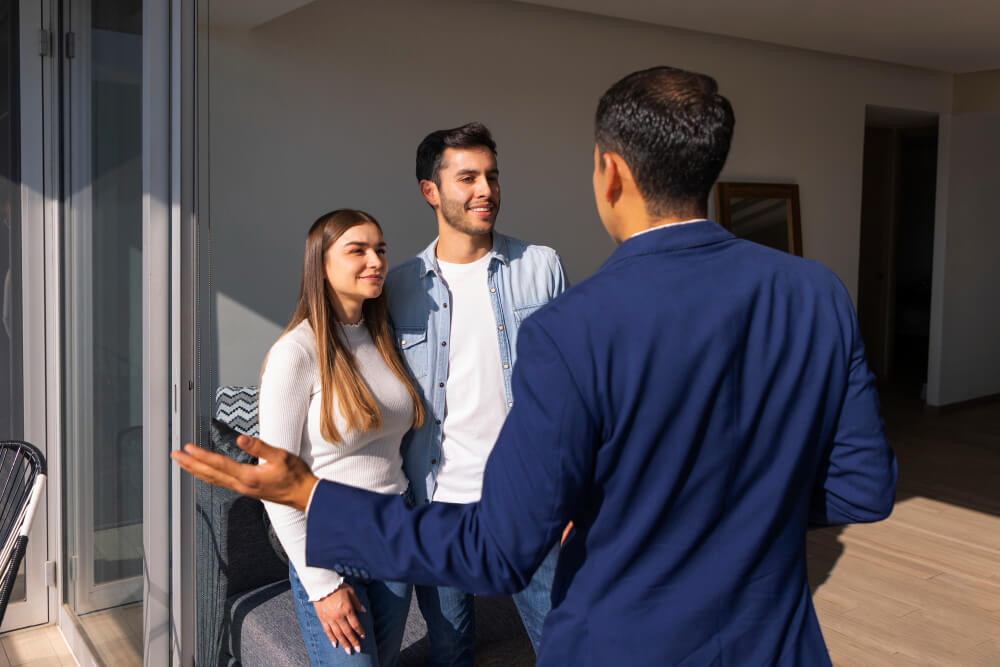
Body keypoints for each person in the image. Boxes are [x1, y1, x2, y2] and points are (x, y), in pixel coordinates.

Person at [174, 66, 897, 666]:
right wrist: (741, 506)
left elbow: (497, 551)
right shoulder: (818, 293)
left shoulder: (568, 322)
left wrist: (313, 495)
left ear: (609, 172)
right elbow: (864, 486)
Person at [385, 122, 567, 664]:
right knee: (451, 649)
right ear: (430, 191)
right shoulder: (398, 285)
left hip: (531, 501)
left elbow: (571, 390)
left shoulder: (541, 266)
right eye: (467, 177)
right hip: (439, 505)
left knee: (565, 640)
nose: (485, 189)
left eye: (491, 175)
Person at [257, 209, 425, 665]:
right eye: (358, 250)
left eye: (381, 250)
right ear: (321, 263)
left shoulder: (383, 338)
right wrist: (322, 585)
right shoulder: (297, 352)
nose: (376, 261)